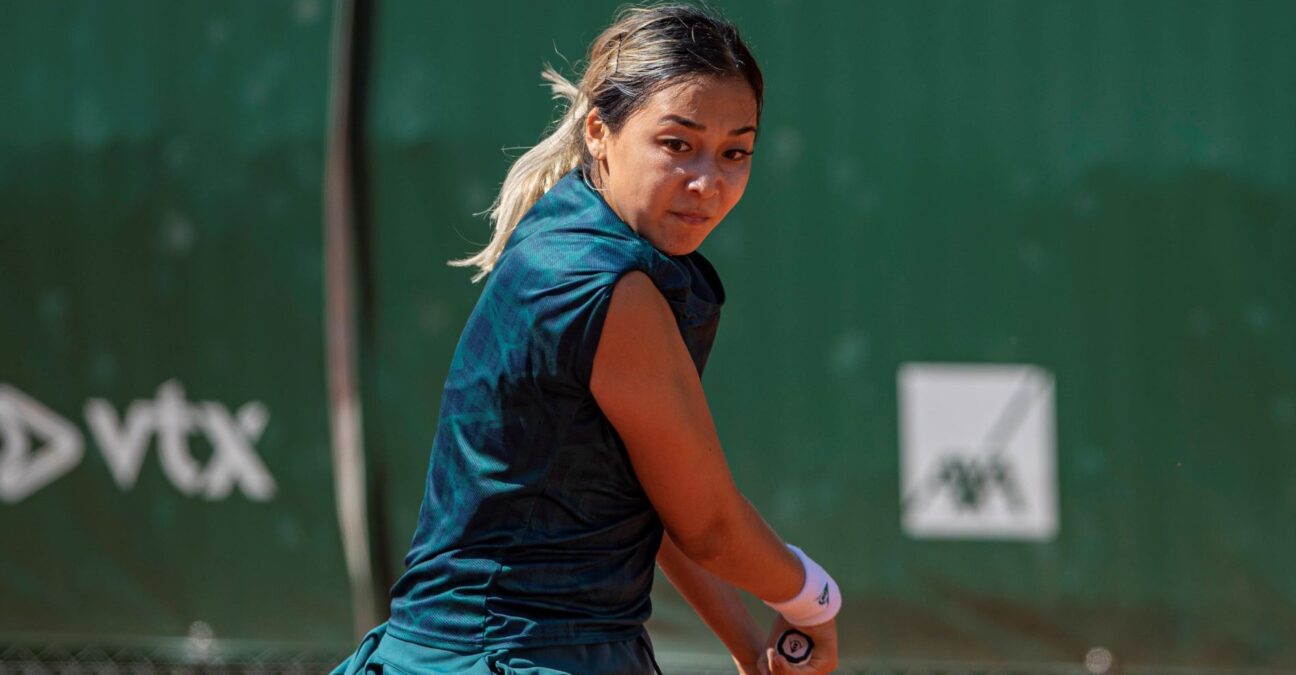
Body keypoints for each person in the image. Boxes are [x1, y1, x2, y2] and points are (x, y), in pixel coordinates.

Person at [332, 4, 841, 674]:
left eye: (735, 152)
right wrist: (815, 599)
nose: (708, 183)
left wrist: (752, 648)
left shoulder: (571, 235)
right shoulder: (608, 286)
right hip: (518, 657)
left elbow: (661, 496)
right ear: (600, 130)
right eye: (677, 144)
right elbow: (710, 524)